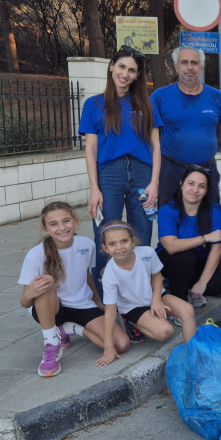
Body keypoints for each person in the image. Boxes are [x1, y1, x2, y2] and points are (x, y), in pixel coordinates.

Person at [80, 45, 161, 322]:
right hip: (109, 175)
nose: (126, 74)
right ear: (112, 65)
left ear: (138, 76)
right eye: (122, 67)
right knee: (107, 240)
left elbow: (156, 145)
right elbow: (91, 149)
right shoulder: (94, 104)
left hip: (142, 174)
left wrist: (154, 183)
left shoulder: (146, 105)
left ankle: (138, 308)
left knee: (140, 239)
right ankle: (106, 311)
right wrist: (94, 188)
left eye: (133, 70)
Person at [18, 202, 130, 377]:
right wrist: (31, 293)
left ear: (76, 222)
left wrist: (98, 302)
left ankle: (70, 329)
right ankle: (51, 343)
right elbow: (25, 302)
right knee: (46, 282)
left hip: (81, 305)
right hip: (52, 310)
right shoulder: (35, 254)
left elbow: (85, 274)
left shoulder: (87, 245)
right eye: (54, 224)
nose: (62, 228)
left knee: (121, 344)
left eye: (66, 221)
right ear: (45, 229)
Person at [96, 221, 197, 366]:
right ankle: (129, 322)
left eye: (124, 241)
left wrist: (156, 300)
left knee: (188, 310)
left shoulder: (147, 253)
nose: (119, 247)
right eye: (113, 244)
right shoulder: (110, 275)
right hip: (133, 307)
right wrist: (109, 347)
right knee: (165, 332)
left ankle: (192, 353)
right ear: (105, 248)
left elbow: (156, 276)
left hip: (154, 295)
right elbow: (110, 312)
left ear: (133, 241)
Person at [151, 46, 221, 207]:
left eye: (194, 62)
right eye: (184, 62)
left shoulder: (217, 97)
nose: (190, 67)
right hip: (171, 171)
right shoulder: (159, 97)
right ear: (176, 66)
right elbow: (152, 137)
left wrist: (203, 151)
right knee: (169, 220)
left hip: (207, 170)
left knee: (210, 221)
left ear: (201, 67)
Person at [156, 165, 221, 309]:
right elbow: (171, 246)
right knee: (185, 257)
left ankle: (180, 284)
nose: (195, 190)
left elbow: (218, 246)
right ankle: (180, 301)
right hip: (173, 258)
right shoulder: (168, 209)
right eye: (191, 183)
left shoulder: (214, 210)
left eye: (201, 186)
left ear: (206, 191)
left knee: (217, 285)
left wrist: (202, 283)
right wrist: (205, 238)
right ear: (181, 184)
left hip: (202, 259)